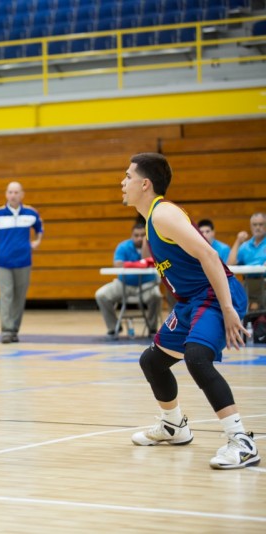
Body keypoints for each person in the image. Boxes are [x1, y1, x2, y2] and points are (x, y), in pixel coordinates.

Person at [122, 152, 258, 470]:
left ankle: (242, 441)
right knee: (153, 361)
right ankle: (174, 426)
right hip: (192, 301)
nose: (122, 182)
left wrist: (228, 308)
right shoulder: (152, 219)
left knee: (197, 357)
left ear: (145, 184)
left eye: (127, 176)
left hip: (214, 293)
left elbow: (210, 256)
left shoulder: (163, 215)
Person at [0, 182, 44, 343]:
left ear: (22, 194)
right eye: (10, 192)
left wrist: (37, 242)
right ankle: (6, 331)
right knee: (6, 294)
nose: (13, 195)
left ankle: (15, 330)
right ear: (6, 194)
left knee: (19, 297)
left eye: (16, 192)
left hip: (24, 261)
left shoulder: (31, 213)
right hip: (3, 262)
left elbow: (39, 228)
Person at [95, 221, 162, 338]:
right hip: (124, 284)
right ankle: (113, 327)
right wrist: (139, 264)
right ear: (132, 236)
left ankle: (152, 328)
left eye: (142, 235)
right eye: (136, 235)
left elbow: (153, 263)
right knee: (101, 295)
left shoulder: (153, 246)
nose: (139, 238)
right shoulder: (123, 246)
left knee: (156, 296)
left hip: (147, 285)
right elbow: (117, 264)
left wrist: (132, 262)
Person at [227, 212, 266, 311]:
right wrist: (238, 241)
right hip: (248, 284)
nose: (258, 227)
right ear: (251, 226)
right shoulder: (245, 246)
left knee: (255, 306)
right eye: (255, 225)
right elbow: (229, 264)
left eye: (261, 224)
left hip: (264, 284)